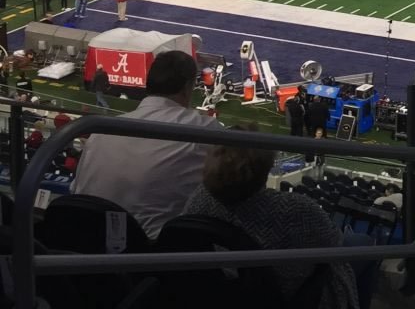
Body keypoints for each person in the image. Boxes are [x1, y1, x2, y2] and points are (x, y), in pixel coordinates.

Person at [183, 138, 359, 308]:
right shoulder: (294, 209)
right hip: (286, 296)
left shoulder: (199, 200)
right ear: (264, 170)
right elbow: (334, 242)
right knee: (361, 244)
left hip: (218, 296)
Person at [73, 50, 220, 238]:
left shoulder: (101, 131)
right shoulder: (204, 130)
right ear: (187, 88)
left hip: (84, 243)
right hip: (151, 255)